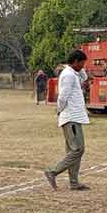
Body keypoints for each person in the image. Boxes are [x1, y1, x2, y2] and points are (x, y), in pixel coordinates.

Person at [44, 49, 90, 191]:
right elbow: (62, 96)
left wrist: (77, 68)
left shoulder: (73, 73)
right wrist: (59, 110)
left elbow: (85, 77)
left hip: (75, 117)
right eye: (81, 63)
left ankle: (74, 183)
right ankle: (53, 172)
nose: (83, 66)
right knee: (78, 150)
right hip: (70, 117)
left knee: (74, 150)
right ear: (75, 61)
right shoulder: (69, 75)